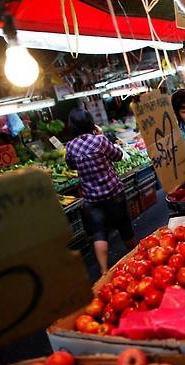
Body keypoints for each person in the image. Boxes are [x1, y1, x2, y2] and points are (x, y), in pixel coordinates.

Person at [65, 108, 135, 275]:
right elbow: (118, 155)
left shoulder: (70, 146)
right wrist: (101, 135)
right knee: (123, 226)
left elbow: (71, 165)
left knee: (99, 232)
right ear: (90, 122)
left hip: (92, 198)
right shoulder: (99, 140)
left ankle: (104, 270)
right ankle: (137, 258)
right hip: (113, 192)